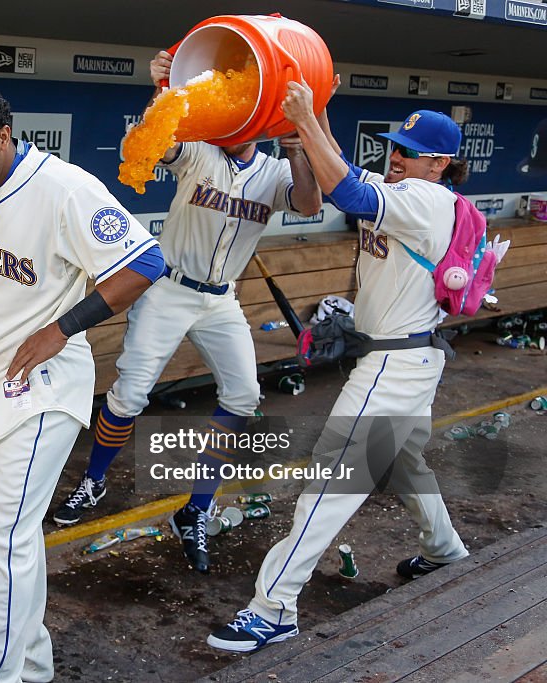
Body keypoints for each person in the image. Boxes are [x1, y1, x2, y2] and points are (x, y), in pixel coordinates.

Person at [208, 87, 471, 653]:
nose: (396, 156)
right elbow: (346, 171)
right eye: (396, 146)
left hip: (394, 364)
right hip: (407, 356)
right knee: (404, 463)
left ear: (440, 162)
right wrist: (316, 109)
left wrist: (304, 120)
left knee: (331, 481)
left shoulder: (426, 199)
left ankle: (274, 605)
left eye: (411, 150)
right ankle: (445, 549)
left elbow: (346, 189)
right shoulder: (406, 191)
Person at [51, 50, 323, 575]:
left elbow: (310, 205)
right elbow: (158, 144)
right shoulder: (199, 151)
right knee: (129, 394)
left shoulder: (272, 171)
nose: (239, 119)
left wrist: (297, 148)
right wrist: (165, 91)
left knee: (243, 397)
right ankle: (94, 480)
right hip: (169, 290)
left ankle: (195, 509)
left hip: (221, 300)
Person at [0, 85, 164, 683]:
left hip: (41, 388)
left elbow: (144, 263)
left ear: (3, 134)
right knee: (14, 537)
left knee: (5, 537)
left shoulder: (63, 187)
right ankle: (31, 664)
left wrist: (62, 329)